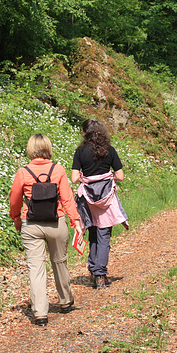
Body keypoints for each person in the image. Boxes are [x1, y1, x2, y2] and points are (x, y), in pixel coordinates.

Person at [9, 134, 84, 326]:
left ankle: (40, 313)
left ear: (30, 149)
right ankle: (65, 301)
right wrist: (75, 221)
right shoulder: (58, 170)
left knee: (36, 268)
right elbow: (67, 198)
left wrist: (16, 218)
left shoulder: (23, 172)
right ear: (48, 148)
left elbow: (15, 200)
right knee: (59, 261)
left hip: (31, 224)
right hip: (56, 222)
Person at [71, 119, 128, 290]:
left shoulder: (80, 151)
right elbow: (120, 176)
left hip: (88, 199)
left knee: (93, 232)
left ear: (84, 133)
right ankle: (100, 275)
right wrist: (107, 175)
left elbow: (74, 178)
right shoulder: (109, 150)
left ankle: (93, 269)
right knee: (104, 235)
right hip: (106, 198)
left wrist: (85, 177)